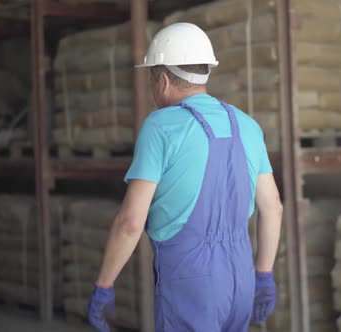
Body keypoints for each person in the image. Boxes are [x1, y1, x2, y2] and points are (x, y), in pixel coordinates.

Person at [87, 22, 283, 332]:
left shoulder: (160, 127)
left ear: (162, 80)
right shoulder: (247, 125)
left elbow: (130, 223)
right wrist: (264, 275)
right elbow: (273, 207)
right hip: (241, 281)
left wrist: (104, 285)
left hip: (190, 284)